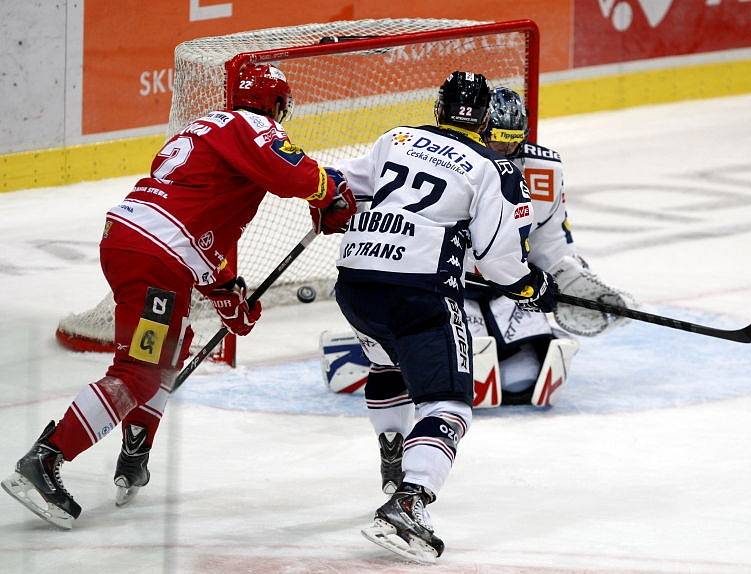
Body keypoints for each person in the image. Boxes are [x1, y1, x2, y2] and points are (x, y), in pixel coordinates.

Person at [1, 62, 356, 529]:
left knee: (173, 346)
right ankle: (44, 460)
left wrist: (226, 292)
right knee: (138, 373)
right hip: (156, 257)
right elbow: (295, 175)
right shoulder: (251, 126)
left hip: (135, 243)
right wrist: (330, 193)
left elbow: (209, 228)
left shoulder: (211, 129)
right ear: (277, 105)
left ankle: (135, 449)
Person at [331, 71, 558, 564]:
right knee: (448, 406)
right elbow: (499, 263)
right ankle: (408, 501)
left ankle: (394, 451)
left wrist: (331, 208)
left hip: (355, 286)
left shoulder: (396, 138)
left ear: (439, 108)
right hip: (420, 295)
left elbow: (337, 185)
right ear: (483, 117)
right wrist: (534, 285)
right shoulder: (492, 169)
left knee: (388, 364)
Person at [465, 86, 635, 406]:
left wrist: (575, 280)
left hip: (512, 285)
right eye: (497, 139)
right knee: (465, 379)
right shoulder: (452, 164)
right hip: (454, 284)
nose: (505, 148)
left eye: (512, 140)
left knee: (522, 380)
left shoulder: (543, 170)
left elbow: (552, 245)